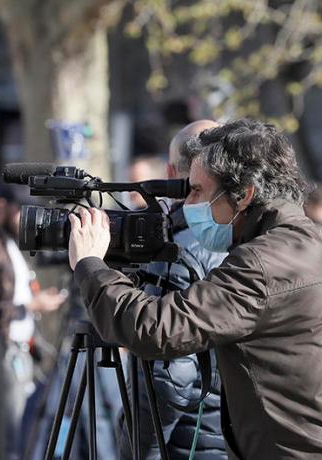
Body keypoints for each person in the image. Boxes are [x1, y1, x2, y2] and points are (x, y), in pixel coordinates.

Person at [68, 119, 322, 459]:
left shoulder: (261, 264)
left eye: (198, 191)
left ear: (243, 195)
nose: (188, 206)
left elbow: (156, 329)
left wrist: (91, 265)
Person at [116, 120, 227, 460]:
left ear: (169, 174)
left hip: (188, 444)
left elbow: (169, 378)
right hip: (238, 439)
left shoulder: (179, 249)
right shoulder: (251, 236)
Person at [0, 187, 66, 459]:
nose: (25, 221)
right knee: (5, 429)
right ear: (2, 206)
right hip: (2, 348)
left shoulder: (11, 244)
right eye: (20, 213)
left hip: (20, 349)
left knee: (20, 426)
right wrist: (31, 305)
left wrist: (34, 300)